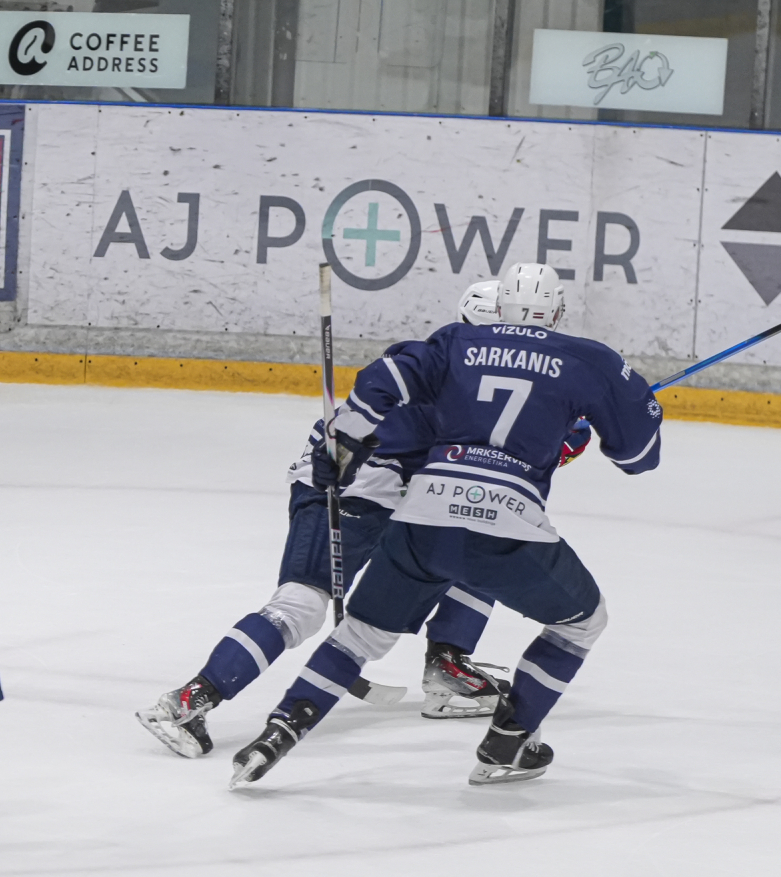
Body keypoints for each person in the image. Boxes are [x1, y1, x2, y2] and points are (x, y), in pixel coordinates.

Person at [229, 263, 661, 788]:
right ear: (557, 313)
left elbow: (383, 379)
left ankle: (278, 732)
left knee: (359, 635)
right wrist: (628, 410)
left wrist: (342, 445)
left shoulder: (457, 341)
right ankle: (508, 743)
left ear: (499, 307)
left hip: (424, 515)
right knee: (582, 621)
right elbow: (638, 457)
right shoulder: (587, 359)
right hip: (506, 521)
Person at [136, 281, 527, 760]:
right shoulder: (455, 376)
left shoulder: (450, 364)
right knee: (300, 607)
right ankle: (188, 701)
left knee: (481, 541)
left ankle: (447, 667)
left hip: (390, 494)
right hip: (351, 487)